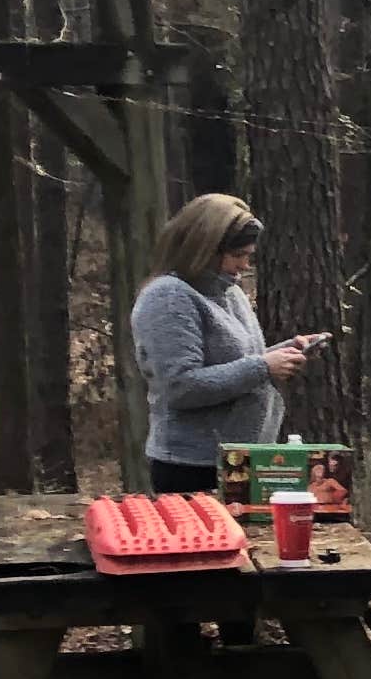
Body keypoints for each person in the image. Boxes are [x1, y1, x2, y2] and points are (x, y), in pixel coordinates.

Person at [134, 194, 315, 496]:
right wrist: (263, 366)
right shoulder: (168, 298)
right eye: (237, 255)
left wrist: (283, 353)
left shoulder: (230, 293)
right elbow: (180, 386)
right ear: (204, 249)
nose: (244, 265)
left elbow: (239, 363)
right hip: (193, 466)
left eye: (248, 255)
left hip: (244, 458)